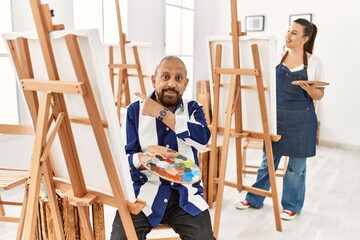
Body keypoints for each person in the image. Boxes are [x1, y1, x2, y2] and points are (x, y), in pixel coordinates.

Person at [110, 55, 215, 239]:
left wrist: (161, 113)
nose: (171, 84)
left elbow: (203, 139)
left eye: (178, 78)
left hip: (186, 195)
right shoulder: (134, 111)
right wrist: (143, 160)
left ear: (186, 83)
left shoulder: (194, 108)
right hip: (144, 194)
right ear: (154, 79)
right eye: (165, 77)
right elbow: (123, 158)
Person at [236, 18, 325, 220]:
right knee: (267, 161)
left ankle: (291, 205)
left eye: (294, 32)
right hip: (277, 119)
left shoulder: (314, 62)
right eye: (288, 30)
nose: (288, 35)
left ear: (305, 38)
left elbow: (320, 95)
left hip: (302, 120)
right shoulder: (277, 57)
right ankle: (255, 198)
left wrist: (311, 90)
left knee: (296, 168)